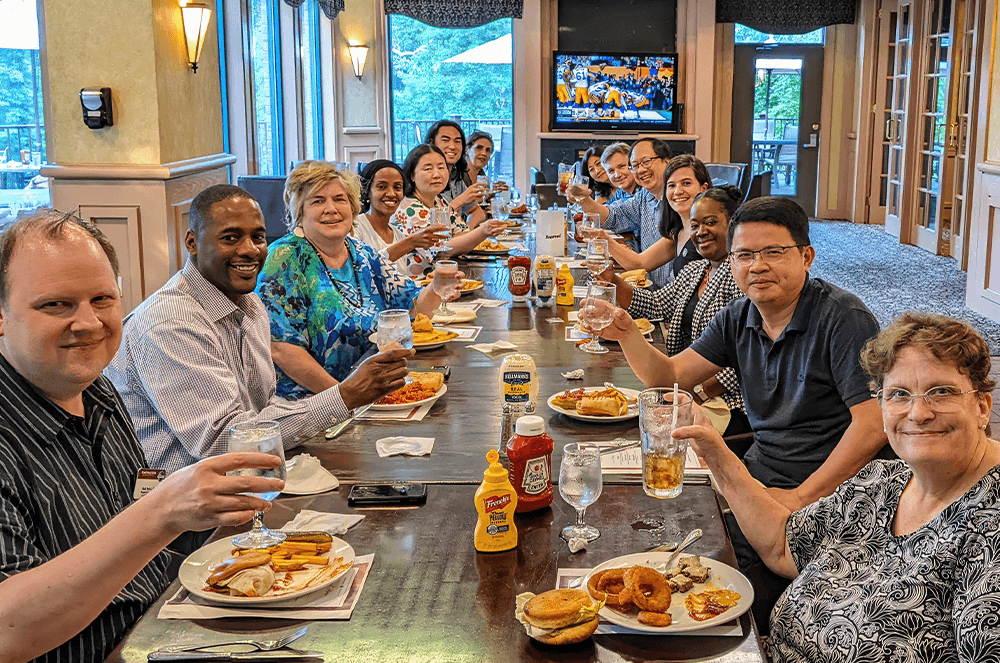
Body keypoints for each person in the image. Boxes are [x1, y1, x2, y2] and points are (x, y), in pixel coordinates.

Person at [588, 196, 887, 632]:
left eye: (773, 252)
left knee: (720, 598)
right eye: (745, 255)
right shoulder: (739, 315)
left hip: (826, 489)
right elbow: (670, 376)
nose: (757, 265)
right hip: (755, 475)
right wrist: (627, 333)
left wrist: (803, 496)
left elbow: (873, 424)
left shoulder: (843, 318)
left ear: (806, 256)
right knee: (656, 545)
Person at [0, 209, 285, 663]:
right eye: (55, 304)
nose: (89, 323)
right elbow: (7, 633)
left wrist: (215, 525)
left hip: (160, 631)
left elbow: (139, 526)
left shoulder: (99, 392)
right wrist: (162, 513)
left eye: (103, 299)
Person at [678, 312, 1000, 661]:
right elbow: (783, 547)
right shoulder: (882, 481)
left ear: (982, 406)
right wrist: (716, 452)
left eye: (941, 392)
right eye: (898, 394)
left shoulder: (989, 527)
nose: (918, 412)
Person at [106, 184, 411, 476]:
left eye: (258, 237)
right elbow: (223, 443)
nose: (250, 250)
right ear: (192, 243)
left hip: (245, 479)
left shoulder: (248, 302)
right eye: (230, 238)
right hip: (184, 509)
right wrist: (343, 396)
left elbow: (264, 406)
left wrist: (341, 402)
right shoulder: (170, 323)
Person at [256, 161, 459, 399]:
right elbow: (281, 348)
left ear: (353, 208)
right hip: (312, 402)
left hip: (370, 393)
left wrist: (437, 287)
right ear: (300, 211)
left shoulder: (362, 253)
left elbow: (416, 307)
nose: (331, 209)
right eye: (318, 201)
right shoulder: (285, 257)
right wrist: (343, 396)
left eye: (340, 199)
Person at [599, 186, 751, 443]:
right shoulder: (697, 270)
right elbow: (655, 304)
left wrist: (698, 394)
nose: (700, 232)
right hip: (686, 385)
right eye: (694, 225)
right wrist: (611, 280)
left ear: (735, 226)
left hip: (729, 403)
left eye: (711, 223)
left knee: (643, 433)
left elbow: (745, 360)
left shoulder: (740, 277)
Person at [567, 138, 674, 286]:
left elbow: (640, 263)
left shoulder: (679, 202)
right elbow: (614, 216)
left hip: (670, 296)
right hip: (648, 286)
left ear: (667, 162)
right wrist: (583, 198)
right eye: (635, 165)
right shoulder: (645, 196)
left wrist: (603, 237)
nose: (641, 170)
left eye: (647, 162)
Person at [390, 144, 506, 279]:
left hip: (440, 279)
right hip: (418, 285)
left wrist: (463, 240)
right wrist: (483, 231)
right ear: (412, 176)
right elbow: (442, 250)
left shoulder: (439, 200)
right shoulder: (409, 209)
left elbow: (461, 233)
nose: (436, 174)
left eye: (441, 167)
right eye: (428, 169)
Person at [597, 154, 710, 284]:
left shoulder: (706, 235)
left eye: (686, 183)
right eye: (672, 185)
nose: (678, 191)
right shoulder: (677, 231)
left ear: (703, 188)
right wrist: (603, 239)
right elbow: (640, 263)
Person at [352, 159, 449, 276]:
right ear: (367, 191)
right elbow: (362, 270)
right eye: (382, 187)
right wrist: (410, 242)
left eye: (397, 187)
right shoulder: (355, 226)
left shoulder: (398, 235)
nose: (391, 194)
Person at [424, 120, 487, 226]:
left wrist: (466, 232)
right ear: (431, 143)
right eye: (445, 140)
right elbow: (432, 225)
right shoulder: (423, 179)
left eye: (457, 141)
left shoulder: (455, 176)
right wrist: (462, 200)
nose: (452, 147)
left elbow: (478, 212)